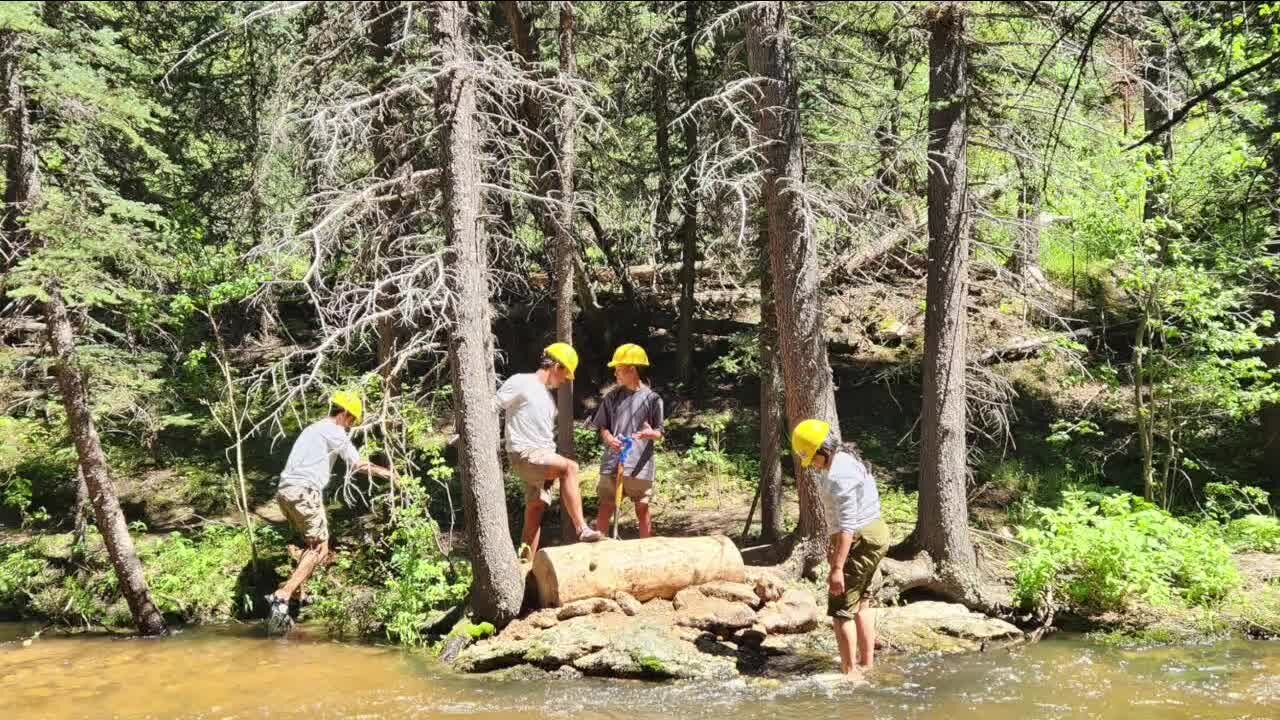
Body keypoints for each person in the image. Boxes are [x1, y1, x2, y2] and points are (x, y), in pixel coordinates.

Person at [266, 391, 396, 635]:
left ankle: (296, 595)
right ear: (344, 414)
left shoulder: (313, 428)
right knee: (320, 549)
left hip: (285, 492)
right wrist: (390, 474)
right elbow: (358, 464)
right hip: (304, 491)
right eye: (352, 421)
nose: (351, 426)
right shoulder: (335, 431)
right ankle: (282, 596)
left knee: (311, 542)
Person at [791, 418, 889, 679]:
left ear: (823, 450)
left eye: (812, 458)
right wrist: (832, 545)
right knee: (862, 603)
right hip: (873, 533)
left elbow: (848, 526)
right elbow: (842, 521)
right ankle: (866, 665)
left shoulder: (838, 475)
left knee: (841, 608)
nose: (810, 464)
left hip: (861, 538)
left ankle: (851, 674)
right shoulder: (843, 458)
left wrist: (837, 568)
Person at [497, 342, 602, 558]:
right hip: (525, 454)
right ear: (557, 366)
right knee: (570, 468)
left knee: (535, 512)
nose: (564, 381)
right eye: (565, 375)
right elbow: (492, 405)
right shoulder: (522, 382)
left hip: (542, 456)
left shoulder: (547, 399)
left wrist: (550, 469)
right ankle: (582, 528)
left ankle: (525, 566)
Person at [590, 344, 664, 538]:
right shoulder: (612, 397)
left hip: (640, 465)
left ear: (632, 370)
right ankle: (597, 550)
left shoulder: (653, 399)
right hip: (613, 463)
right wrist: (609, 439)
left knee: (642, 507)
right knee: (606, 506)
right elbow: (602, 426)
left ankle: (646, 549)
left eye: (619, 370)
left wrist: (650, 434)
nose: (615, 374)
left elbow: (660, 433)